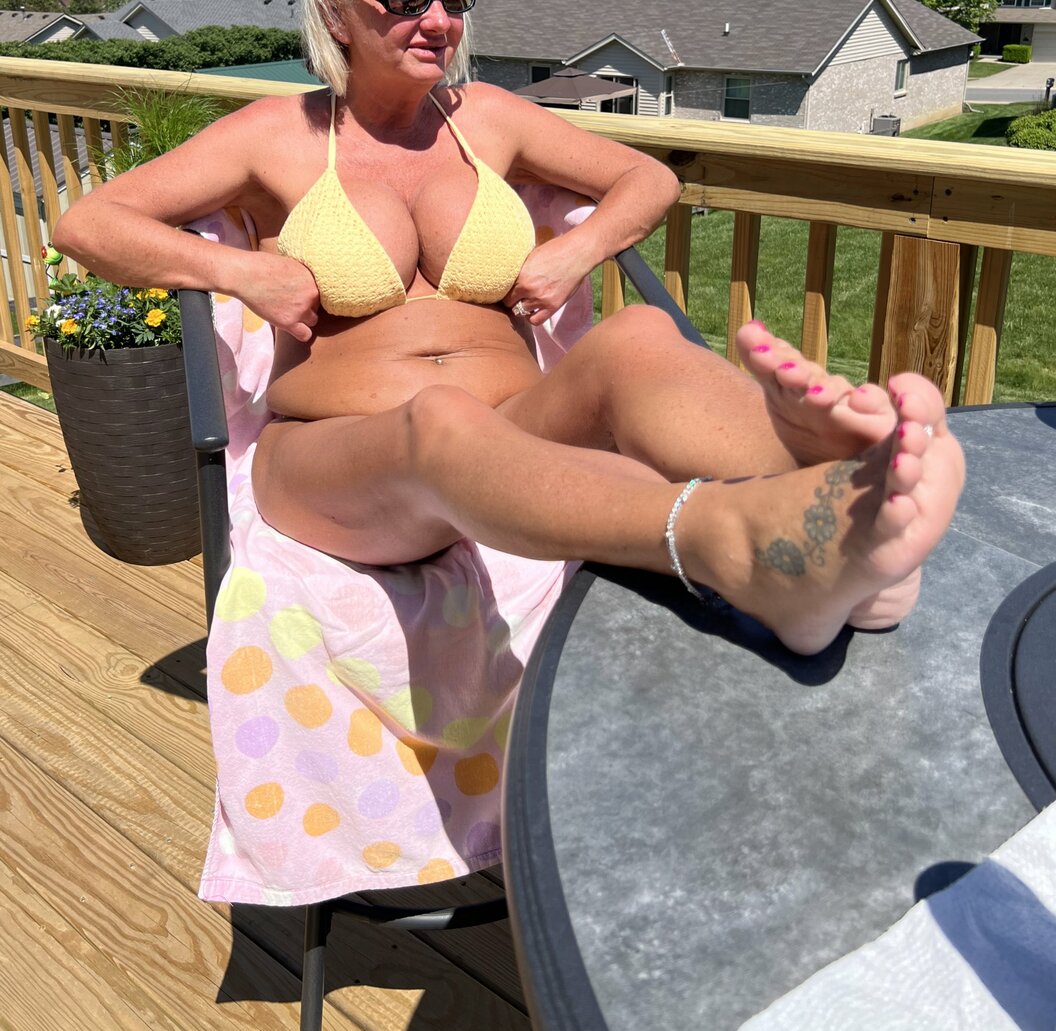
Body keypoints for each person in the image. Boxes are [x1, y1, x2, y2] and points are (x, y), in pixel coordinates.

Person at [52, 0, 964, 656]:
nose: (437, 21)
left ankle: (840, 511)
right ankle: (735, 542)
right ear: (333, 13)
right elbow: (89, 225)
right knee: (440, 422)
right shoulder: (275, 133)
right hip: (334, 457)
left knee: (636, 339)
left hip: (516, 431)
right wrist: (239, 269)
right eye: (406, 0)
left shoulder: (486, 119)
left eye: (455, 0)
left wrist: (579, 250)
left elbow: (647, 179)